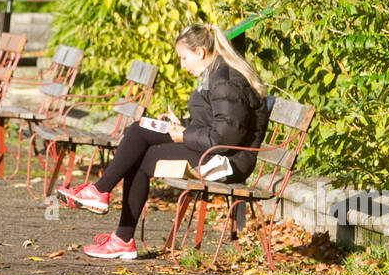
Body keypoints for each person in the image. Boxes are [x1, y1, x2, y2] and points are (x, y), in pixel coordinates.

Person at [57, 22, 271, 259]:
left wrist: (185, 135)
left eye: (184, 58)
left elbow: (227, 135)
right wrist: (183, 125)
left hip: (227, 162)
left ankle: (105, 205)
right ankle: (114, 224)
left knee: (140, 145)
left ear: (200, 52)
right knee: (140, 133)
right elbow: (217, 123)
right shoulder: (217, 74)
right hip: (216, 152)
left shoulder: (225, 81)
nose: (182, 65)